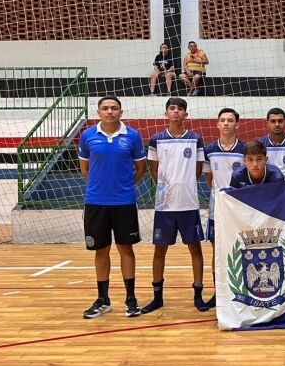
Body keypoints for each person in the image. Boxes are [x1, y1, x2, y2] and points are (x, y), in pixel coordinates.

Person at [79, 96, 147, 319]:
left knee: (126, 249)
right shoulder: (88, 136)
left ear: (121, 112)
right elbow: (85, 170)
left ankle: (131, 299)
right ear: (98, 112)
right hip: (96, 202)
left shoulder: (133, 136)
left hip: (124, 202)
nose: (110, 112)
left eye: (114, 108)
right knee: (101, 250)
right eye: (105, 108)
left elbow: (140, 168)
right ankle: (103, 299)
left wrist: (123, 187)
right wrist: (101, 188)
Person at [141, 98, 207, 314]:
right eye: (172, 108)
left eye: (180, 109)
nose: (176, 112)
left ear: (185, 114)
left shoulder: (196, 139)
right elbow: (154, 169)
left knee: (195, 248)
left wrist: (184, 184)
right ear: (166, 113)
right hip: (164, 205)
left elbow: (198, 171)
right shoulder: (156, 139)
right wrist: (165, 189)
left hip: (189, 203)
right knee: (160, 250)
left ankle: (198, 294)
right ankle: (157, 297)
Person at [202, 107, 245, 308]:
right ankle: (218, 292)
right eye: (223, 120)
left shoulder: (245, 150)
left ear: (237, 124)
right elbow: (210, 178)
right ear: (217, 124)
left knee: (241, 249)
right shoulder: (209, 149)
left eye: (230, 120)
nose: (226, 123)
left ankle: (241, 289)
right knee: (217, 250)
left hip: (239, 210)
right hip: (216, 209)